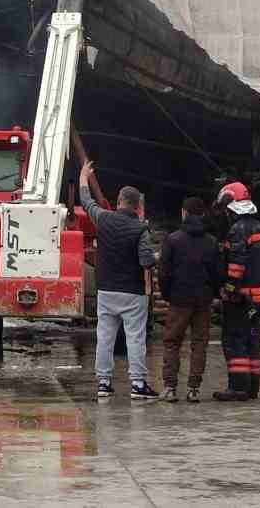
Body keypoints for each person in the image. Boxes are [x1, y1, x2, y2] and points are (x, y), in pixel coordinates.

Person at [79, 161, 157, 400]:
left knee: (105, 336)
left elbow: (87, 202)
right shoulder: (140, 229)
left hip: (106, 291)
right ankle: (137, 384)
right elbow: (146, 261)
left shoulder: (103, 219)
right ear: (137, 206)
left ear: (120, 201)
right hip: (133, 293)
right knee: (135, 337)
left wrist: (84, 179)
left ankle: (103, 383)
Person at [158, 195, 224, 403]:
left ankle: (169, 387)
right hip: (202, 300)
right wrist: (213, 294)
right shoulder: (212, 242)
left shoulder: (173, 239)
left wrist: (168, 294)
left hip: (178, 299)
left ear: (184, 213)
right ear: (202, 214)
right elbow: (218, 274)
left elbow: (163, 273)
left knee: (172, 342)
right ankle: (194, 389)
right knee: (199, 343)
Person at [213, 181, 260, 403]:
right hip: (259, 297)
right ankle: (252, 387)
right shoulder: (259, 227)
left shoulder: (237, 230)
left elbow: (236, 266)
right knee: (252, 342)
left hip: (241, 298)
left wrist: (227, 290)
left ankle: (237, 387)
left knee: (235, 340)